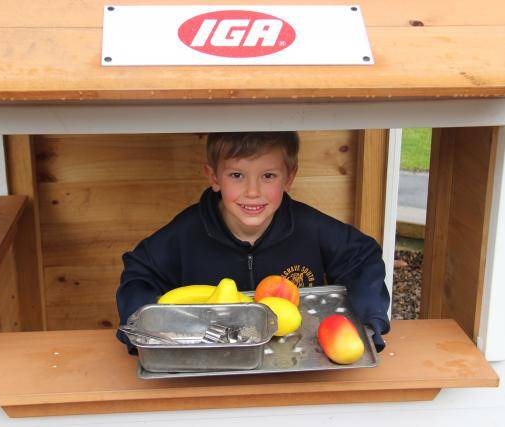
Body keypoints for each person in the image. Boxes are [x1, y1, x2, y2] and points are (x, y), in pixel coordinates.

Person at [116, 131, 390, 354]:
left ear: (289, 177)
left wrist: (369, 320)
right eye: (237, 175)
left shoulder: (310, 227)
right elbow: (140, 271)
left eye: (268, 176)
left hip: (296, 361)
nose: (252, 192)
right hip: (209, 365)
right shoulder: (186, 232)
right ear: (214, 177)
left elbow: (362, 257)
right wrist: (142, 334)